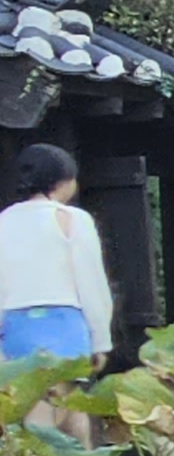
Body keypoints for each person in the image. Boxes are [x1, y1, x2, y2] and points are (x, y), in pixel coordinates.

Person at [1, 144, 115, 371]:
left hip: (14, 327)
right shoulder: (74, 219)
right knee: (66, 393)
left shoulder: (4, 220)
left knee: (24, 392)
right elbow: (91, 284)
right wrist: (100, 342)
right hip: (65, 326)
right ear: (65, 181)